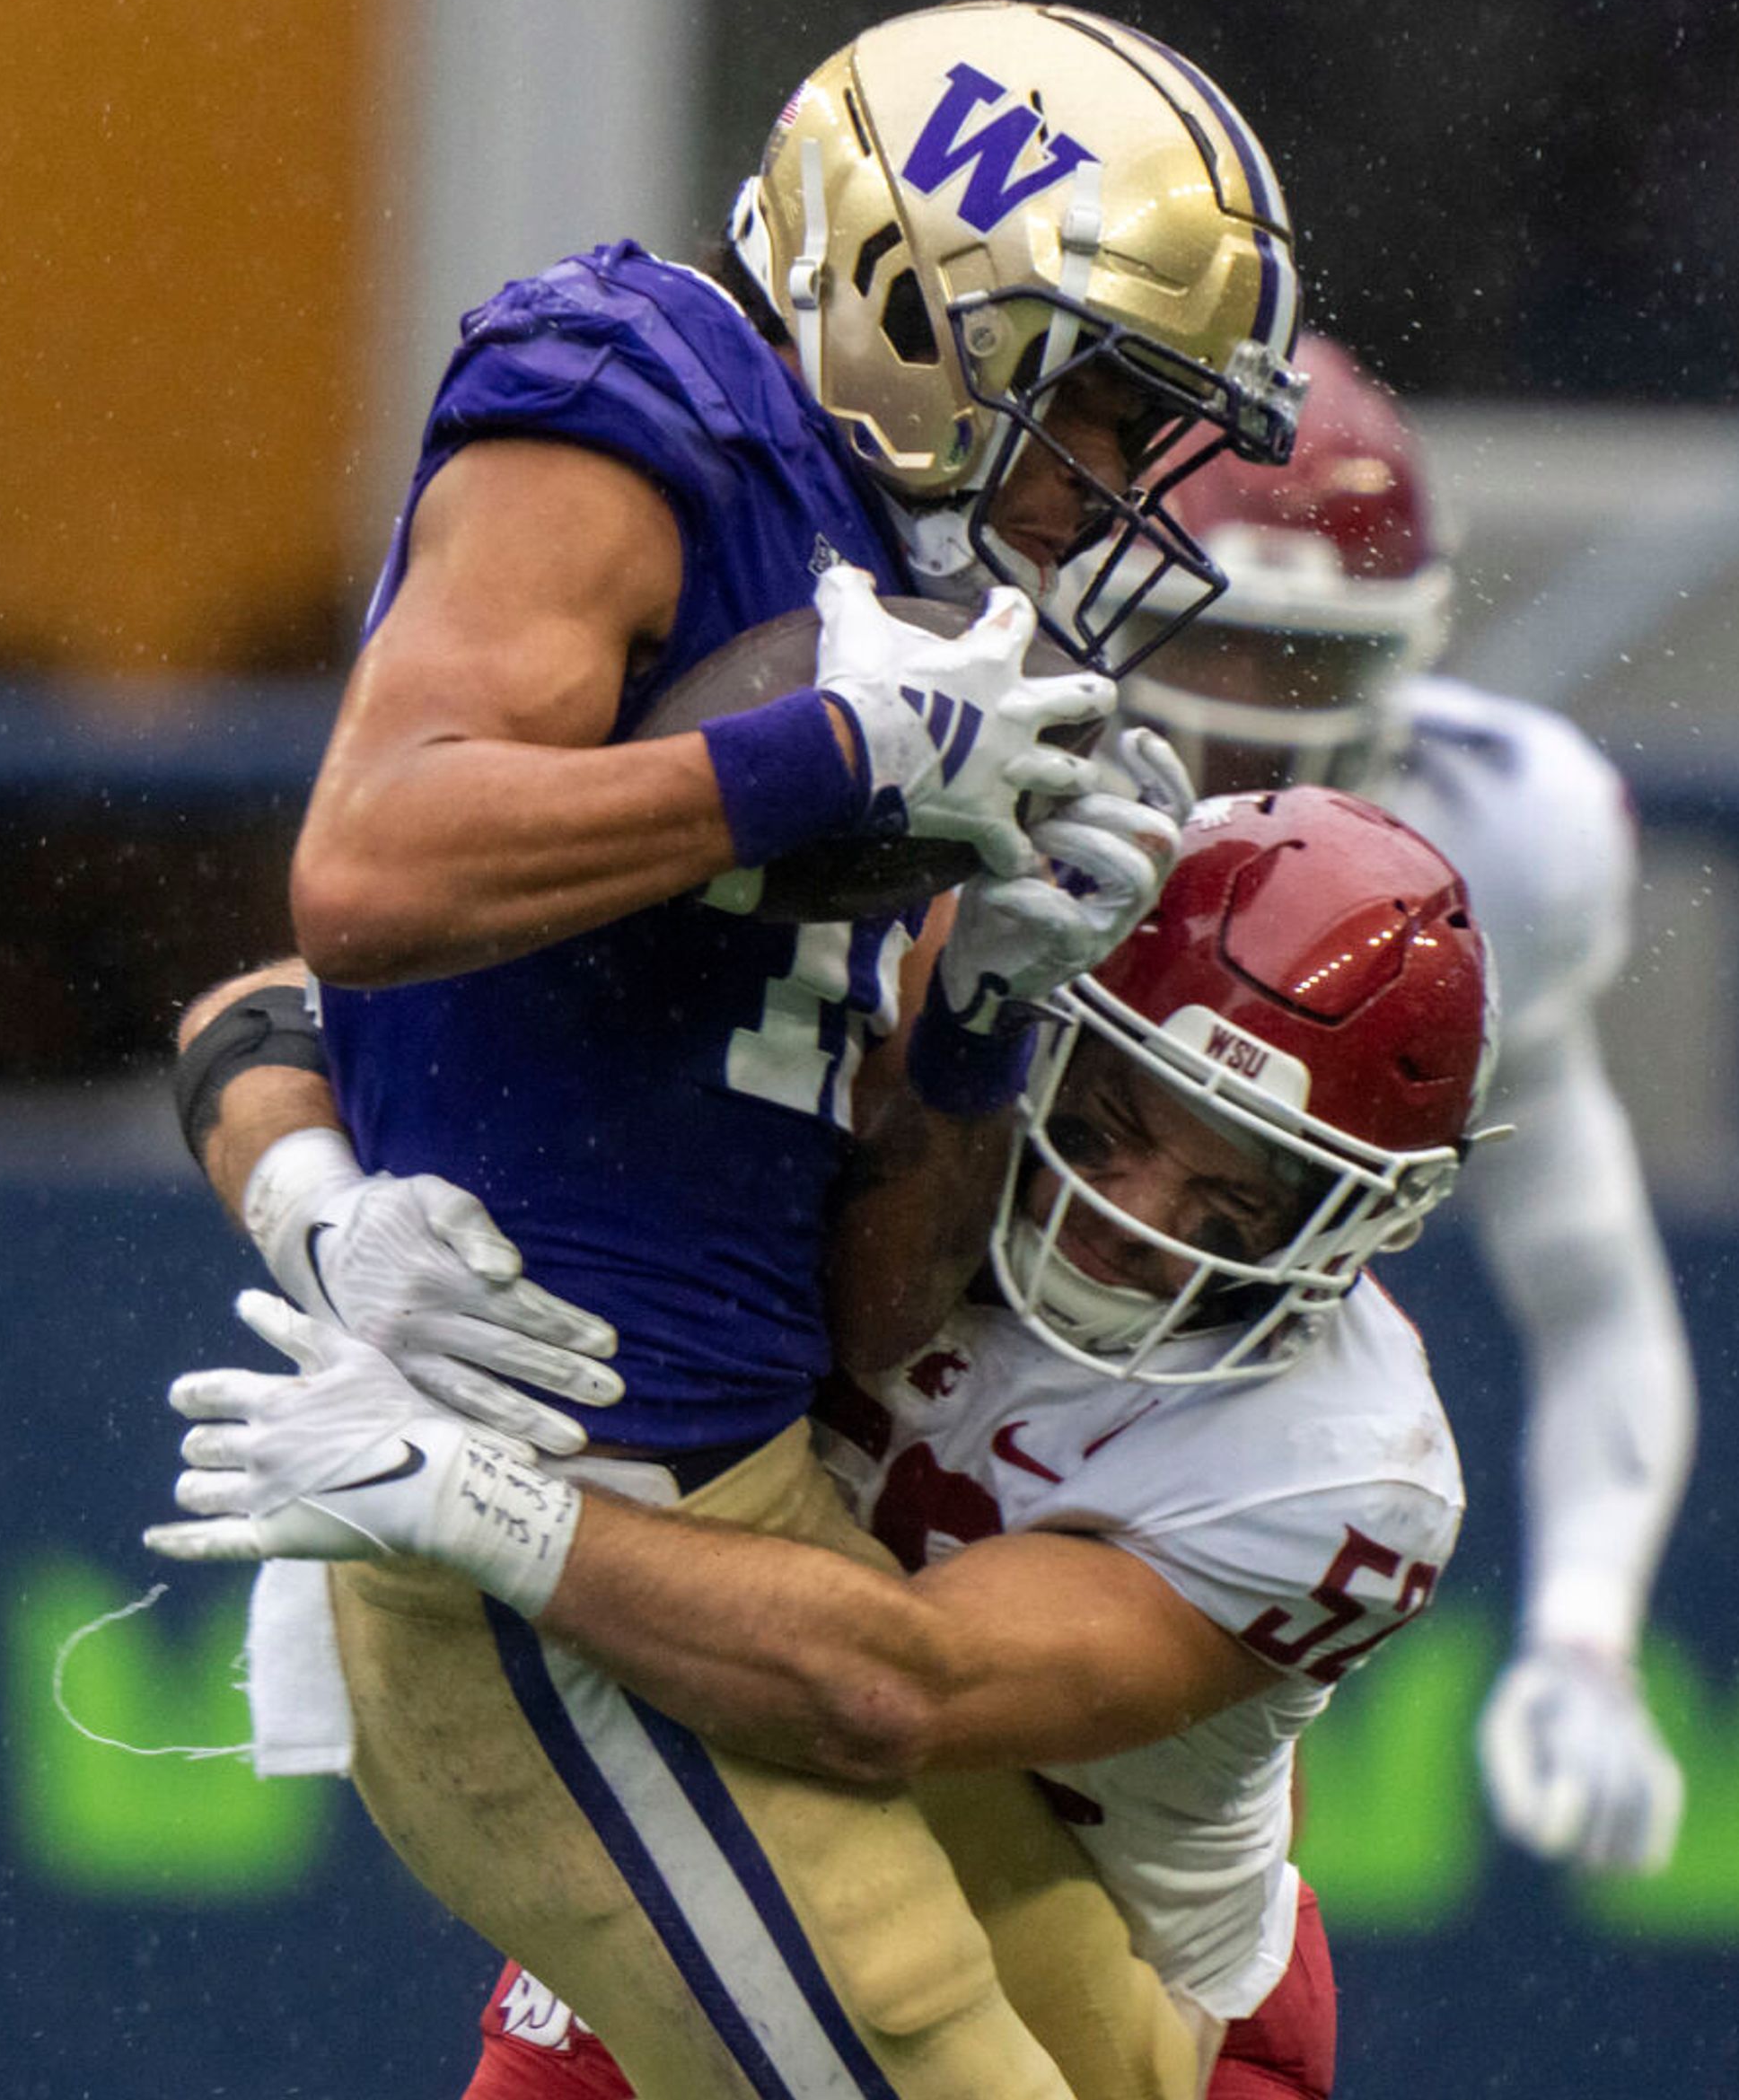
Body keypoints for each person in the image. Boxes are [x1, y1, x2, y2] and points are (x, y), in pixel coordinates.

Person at [166, 0, 1304, 2099]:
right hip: (537, 1543)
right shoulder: (638, 399)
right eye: (1117, 407)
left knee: (1156, 2071)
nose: (1132, 484)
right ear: (917, 300)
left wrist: (980, 1012)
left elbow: (870, 1315)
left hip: (756, 1500)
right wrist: (828, 755)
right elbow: (368, 863)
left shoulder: (898, 566)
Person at [155, 788, 1496, 2100]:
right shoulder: (910, 1028)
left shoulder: (1337, 1459)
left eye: (1237, 1192)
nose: (1128, 1217)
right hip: (730, 1800)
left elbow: (890, 1696)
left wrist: (478, 1500)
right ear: (1051, 1011)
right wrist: (312, 1206)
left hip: (1124, 1996)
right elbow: (276, 1012)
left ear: (1359, 1213)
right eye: (1109, 1120)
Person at [1106, 333, 1696, 1877]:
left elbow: (1592, 1292)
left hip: (1194, 1486)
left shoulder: (1501, 849)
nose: (1260, 716)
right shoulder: (961, 760)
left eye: (1314, 662)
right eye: (1219, 648)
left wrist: (1584, 1638)